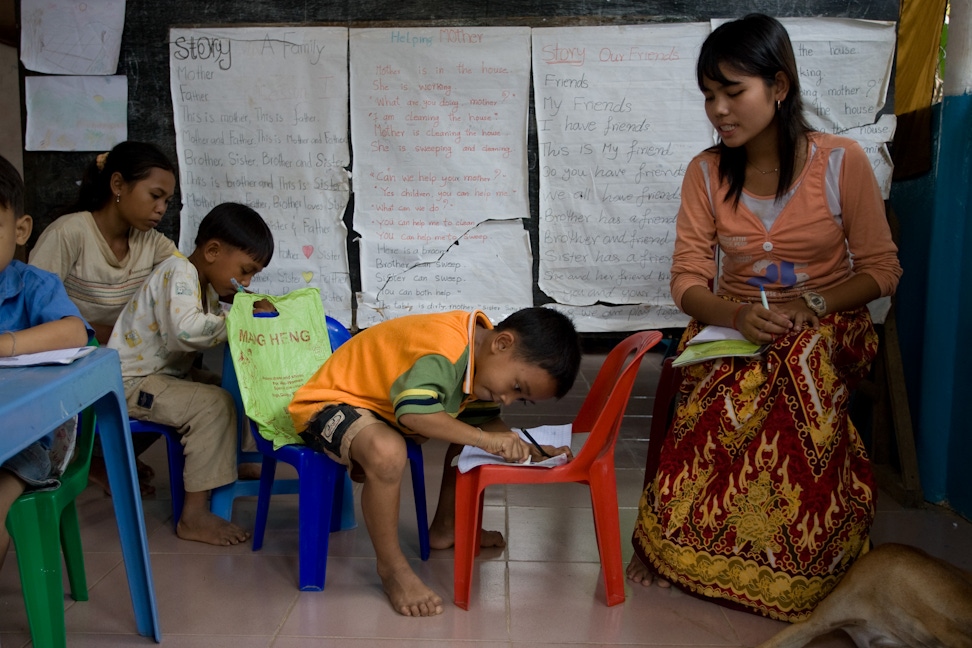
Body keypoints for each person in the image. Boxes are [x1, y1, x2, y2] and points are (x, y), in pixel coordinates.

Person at [627, 14, 902, 623]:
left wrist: (814, 306)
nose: (718, 110)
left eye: (733, 92)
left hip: (829, 323)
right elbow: (687, 282)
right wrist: (737, 315)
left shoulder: (840, 162)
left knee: (793, 369)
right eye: (708, 96)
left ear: (778, 87)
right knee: (721, 386)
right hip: (735, 322)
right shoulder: (705, 173)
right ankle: (676, 548)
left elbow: (882, 270)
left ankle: (803, 557)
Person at [289, 307, 581, 616]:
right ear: (502, 343)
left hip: (378, 412)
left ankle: (446, 527)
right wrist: (485, 439)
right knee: (389, 452)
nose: (507, 400)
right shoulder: (446, 348)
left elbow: (484, 423)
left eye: (520, 398)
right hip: (328, 404)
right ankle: (392, 569)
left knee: (469, 436)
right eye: (517, 387)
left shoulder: (481, 364)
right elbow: (414, 412)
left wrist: (528, 448)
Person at [108, 202, 274, 546]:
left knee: (234, 387)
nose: (246, 281)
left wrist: (241, 307)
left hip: (163, 377)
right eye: (245, 270)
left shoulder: (206, 288)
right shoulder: (178, 272)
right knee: (211, 404)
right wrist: (241, 320)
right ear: (212, 250)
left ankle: (230, 460)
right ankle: (193, 515)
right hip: (130, 382)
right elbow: (185, 332)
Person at [29, 141, 177, 496]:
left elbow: (188, 273)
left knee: (184, 361)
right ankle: (92, 457)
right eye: (155, 196)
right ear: (117, 186)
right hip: (70, 361)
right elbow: (30, 306)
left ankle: (113, 453)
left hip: (121, 358)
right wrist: (97, 333)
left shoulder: (151, 242)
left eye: (167, 202)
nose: (161, 209)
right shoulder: (70, 233)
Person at [0, 154, 93, 572]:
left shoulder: (31, 285)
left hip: (28, 442)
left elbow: (74, 332)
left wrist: (7, 343)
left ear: (20, 230)